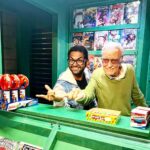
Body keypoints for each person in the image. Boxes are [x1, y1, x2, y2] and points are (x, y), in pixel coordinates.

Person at [36, 45, 97, 110]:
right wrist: (57, 99)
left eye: (79, 60)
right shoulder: (63, 81)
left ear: (87, 62)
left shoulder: (88, 75)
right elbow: (58, 92)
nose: (74, 64)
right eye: (71, 60)